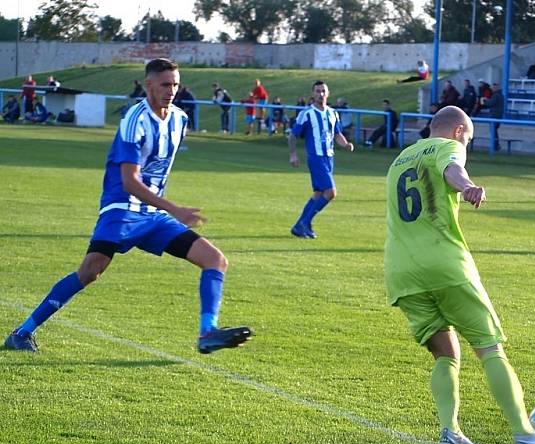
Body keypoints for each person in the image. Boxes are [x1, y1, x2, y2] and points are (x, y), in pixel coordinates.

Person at [4, 58, 252, 354]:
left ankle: (207, 333)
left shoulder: (180, 119)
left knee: (215, 260)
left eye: (175, 84)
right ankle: (22, 332)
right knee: (90, 272)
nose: (171, 90)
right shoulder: (135, 119)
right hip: (122, 209)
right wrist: (174, 208)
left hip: (154, 215)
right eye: (164, 84)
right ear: (148, 85)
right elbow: (129, 181)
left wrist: (165, 209)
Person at [383, 105, 535, 444]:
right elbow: (453, 169)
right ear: (458, 132)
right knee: (489, 347)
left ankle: (450, 431)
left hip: (400, 271)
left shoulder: (400, 159)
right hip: (444, 264)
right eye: (468, 138)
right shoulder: (447, 146)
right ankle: (524, 433)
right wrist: (468, 186)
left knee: (445, 352)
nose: (466, 144)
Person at [288, 80, 355, 239]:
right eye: (318, 91)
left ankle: (301, 226)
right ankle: (304, 222)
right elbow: (293, 135)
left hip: (329, 158)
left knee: (319, 194)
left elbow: (337, 134)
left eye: (323, 91)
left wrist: (345, 145)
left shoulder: (333, 113)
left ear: (328, 93)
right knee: (331, 192)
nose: (321, 94)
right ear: (313, 94)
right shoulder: (307, 113)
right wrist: (293, 154)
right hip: (315, 157)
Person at [482, 83, 504, 151]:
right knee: (495, 131)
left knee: (493, 131)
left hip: (494, 116)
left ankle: (495, 146)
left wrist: (484, 101)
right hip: (498, 115)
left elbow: (490, 103)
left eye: (493, 88)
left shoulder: (496, 95)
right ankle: (496, 145)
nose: (492, 89)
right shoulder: (501, 95)